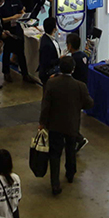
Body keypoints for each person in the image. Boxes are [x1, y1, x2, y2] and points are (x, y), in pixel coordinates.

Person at [40, 55, 94, 195]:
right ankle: (70, 174)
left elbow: (45, 105)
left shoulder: (51, 83)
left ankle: (55, 184)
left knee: (55, 153)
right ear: (73, 69)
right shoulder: (80, 86)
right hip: (72, 124)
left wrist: (42, 122)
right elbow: (90, 103)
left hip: (54, 124)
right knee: (70, 150)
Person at [38, 16, 61, 85]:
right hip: (49, 74)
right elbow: (46, 62)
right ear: (54, 29)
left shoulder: (48, 38)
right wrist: (60, 59)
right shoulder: (47, 44)